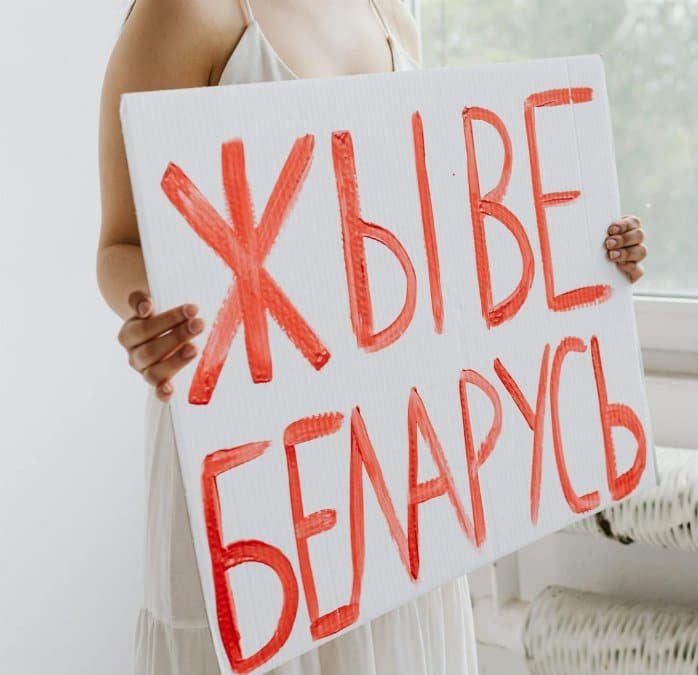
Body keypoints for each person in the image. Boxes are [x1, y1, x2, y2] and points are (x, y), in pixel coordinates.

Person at [95, 1, 649, 673]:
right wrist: (149, 315)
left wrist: (579, 251)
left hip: (384, 472)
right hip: (248, 459)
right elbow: (120, 244)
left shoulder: (393, 14)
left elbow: (430, 231)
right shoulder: (184, 13)